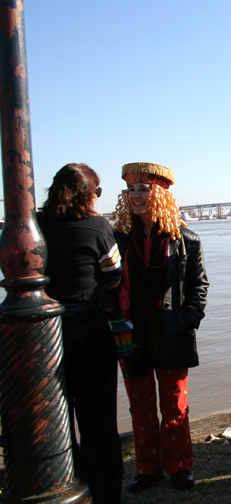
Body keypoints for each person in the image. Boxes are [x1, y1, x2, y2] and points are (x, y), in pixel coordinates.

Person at [112, 162, 209, 492]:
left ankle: (180, 465)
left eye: (144, 189)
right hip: (130, 334)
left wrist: (187, 323)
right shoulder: (117, 240)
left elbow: (199, 286)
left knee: (174, 403)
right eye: (131, 189)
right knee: (140, 407)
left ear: (162, 193)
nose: (136, 196)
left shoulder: (187, 240)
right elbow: (107, 285)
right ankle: (148, 468)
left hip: (171, 333)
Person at [37, 164, 124, 504]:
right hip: (89, 331)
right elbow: (114, 274)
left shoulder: (38, 224)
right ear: (87, 193)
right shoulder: (99, 226)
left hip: (45, 336)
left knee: (56, 415)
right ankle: (104, 494)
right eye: (97, 191)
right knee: (98, 420)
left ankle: (65, 484)